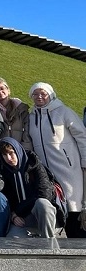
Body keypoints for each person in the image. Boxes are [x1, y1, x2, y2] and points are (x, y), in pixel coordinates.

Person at [27, 81, 86, 238]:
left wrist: (85, 160)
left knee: (74, 208)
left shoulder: (64, 112)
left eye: (43, 93)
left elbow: (82, 136)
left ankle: (79, 248)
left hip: (69, 168)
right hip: (47, 171)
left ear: (50, 94)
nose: (39, 97)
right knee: (57, 208)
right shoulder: (32, 116)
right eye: (35, 94)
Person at [0, 136, 58, 238]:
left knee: (42, 203)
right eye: (4, 155)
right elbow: (6, 200)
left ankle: (49, 246)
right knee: (12, 240)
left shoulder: (34, 165)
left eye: (11, 153)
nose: (8, 158)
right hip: (22, 219)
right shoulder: (4, 172)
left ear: (18, 151)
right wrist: (13, 215)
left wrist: (18, 211)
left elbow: (44, 195)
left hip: (43, 217)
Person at [0, 78, 30, 149]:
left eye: (2, 88)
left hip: (20, 149)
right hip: (1, 151)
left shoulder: (21, 108)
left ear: (8, 90)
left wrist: (25, 149)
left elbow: (27, 131)